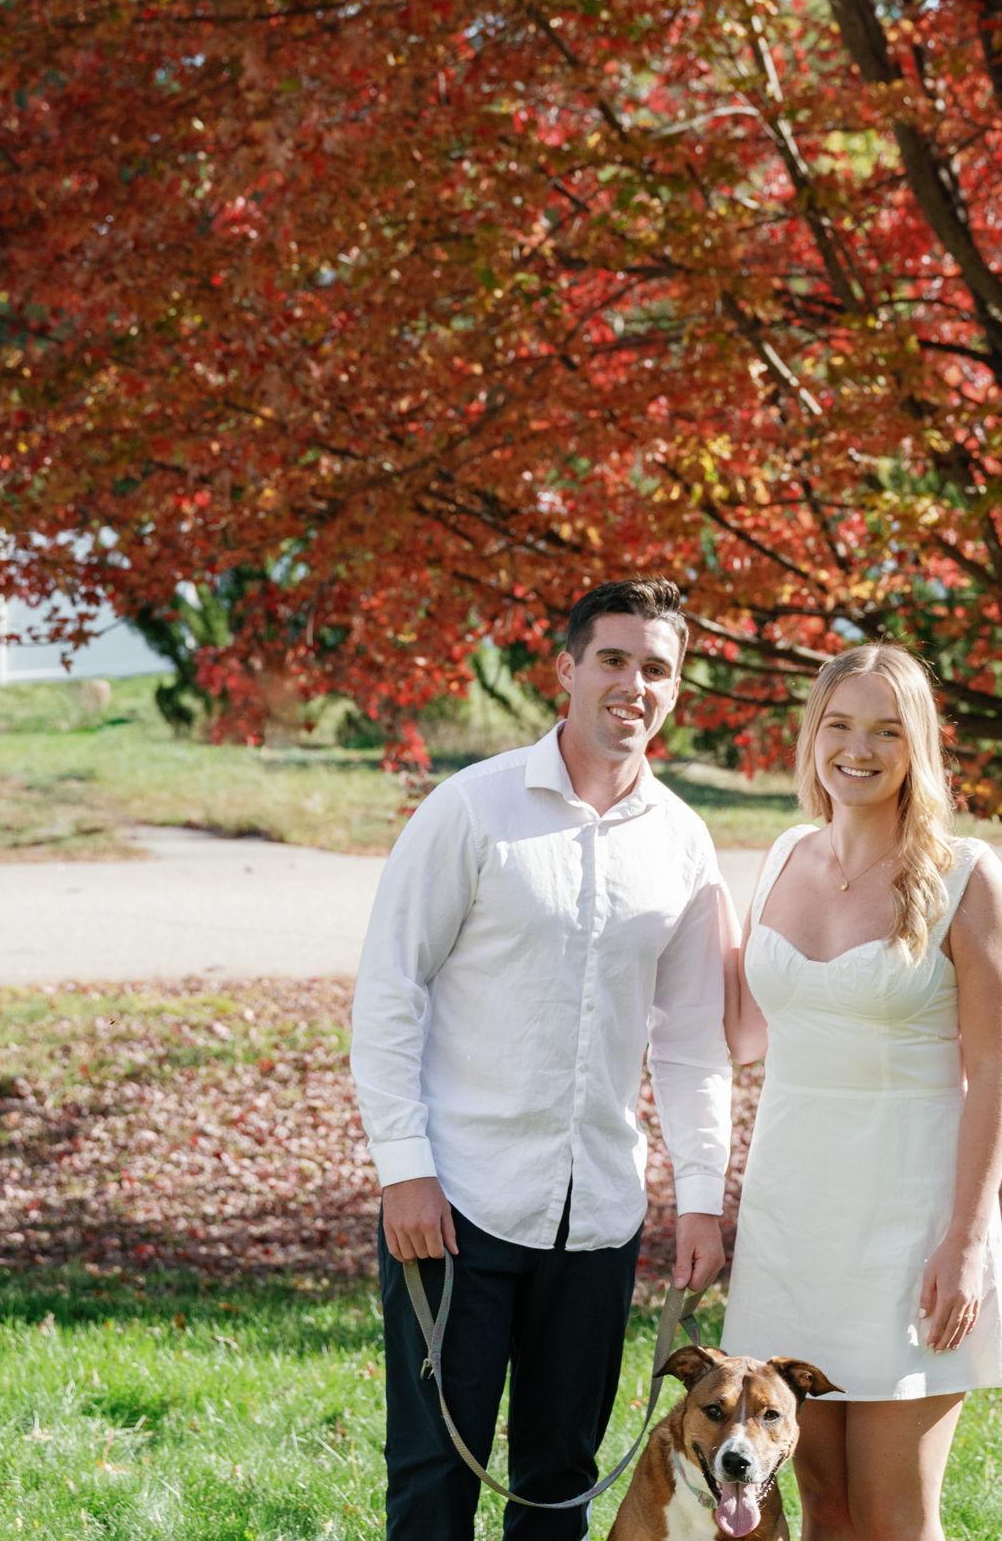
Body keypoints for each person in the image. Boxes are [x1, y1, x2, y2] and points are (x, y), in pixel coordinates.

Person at [351, 578, 731, 1541]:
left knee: (561, 1476)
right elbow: (391, 989)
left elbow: (691, 1041)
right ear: (566, 669)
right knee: (435, 1473)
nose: (634, 685)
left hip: (598, 1213)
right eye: (614, 660)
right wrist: (403, 1169)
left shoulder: (683, 842)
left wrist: (700, 1194)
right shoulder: (471, 809)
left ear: (675, 689)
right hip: (456, 1203)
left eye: (657, 669)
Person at [719, 643, 1002, 1541]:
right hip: (787, 1222)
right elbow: (743, 1032)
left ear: (918, 745)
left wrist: (964, 1241)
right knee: (822, 1502)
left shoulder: (966, 877)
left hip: (910, 1224)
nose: (858, 749)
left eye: (887, 731)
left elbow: (994, 1076)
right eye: (840, 725)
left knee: (893, 1514)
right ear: (812, 734)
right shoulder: (784, 855)